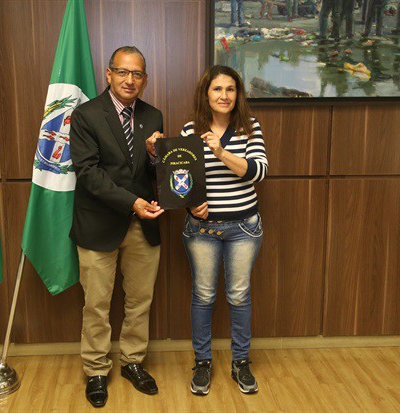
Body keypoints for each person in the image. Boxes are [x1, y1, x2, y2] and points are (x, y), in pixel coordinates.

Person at [69, 46, 164, 408]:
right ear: (108, 74)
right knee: (96, 303)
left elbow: (155, 173)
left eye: (137, 74)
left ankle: (133, 362)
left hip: (142, 225)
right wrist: (132, 202)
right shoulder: (86, 115)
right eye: (122, 72)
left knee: (140, 301)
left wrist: (155, 156)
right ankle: (96, 370)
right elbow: (88, 173)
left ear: (145, 79)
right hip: (98, 225)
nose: (129, 80)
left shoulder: (153, 116)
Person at [179, 66, 268, 395]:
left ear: (237, 94)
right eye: (217, 89)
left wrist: (219, 151)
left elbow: (258, 171)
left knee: (239, 295)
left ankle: (240, 361)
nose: (224, 95)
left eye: (230, 89)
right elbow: (181, 179)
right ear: (206, 94)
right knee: (203, 296)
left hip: (244, 228)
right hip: (202, 230)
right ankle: (202, 362)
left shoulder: (250, 126)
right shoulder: (191, 129)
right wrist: (191, 205)